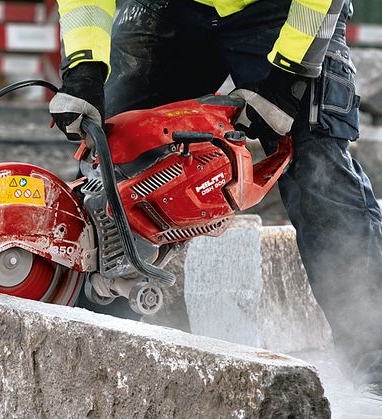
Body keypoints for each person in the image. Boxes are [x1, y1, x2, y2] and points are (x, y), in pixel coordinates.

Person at [50, 0, 382, 395]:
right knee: (115, 158)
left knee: (317, 169)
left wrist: (288, 75)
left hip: (287, 12)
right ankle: (87, 350)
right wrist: (85, 64)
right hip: (170, 7)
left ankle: (373, 353)